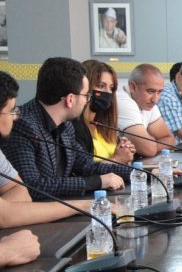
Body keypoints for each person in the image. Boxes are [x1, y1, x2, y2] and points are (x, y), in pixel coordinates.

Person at [1, 58, 129, 200]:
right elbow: (33, 186)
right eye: (86, 96)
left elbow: (86, 165)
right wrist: (97, 182)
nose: (87, 101)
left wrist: (136, 173)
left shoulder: (66, 126)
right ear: (70, 99)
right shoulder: (22, 125)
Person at [0, 70, 93, 227]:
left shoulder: (66, 128)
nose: (15, 117)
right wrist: (81, 206)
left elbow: (22, 193)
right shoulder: (26, 126)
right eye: (11, 111)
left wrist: (8, 210)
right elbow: (6, 214)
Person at [72, 60, 135, 164]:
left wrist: (124, 151)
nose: (108, 92)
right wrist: (117, 159)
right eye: (101, 86)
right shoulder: (74, 127)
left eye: (111, 88)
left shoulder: (103, 125)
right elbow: (83, 168)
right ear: (85, 87)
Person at [116, 64, 177, 157]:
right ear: (133, 87)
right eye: (150, 91)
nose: (155, 100)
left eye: (159, 92)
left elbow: (170, 139)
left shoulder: (147, 103)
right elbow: (148, 149)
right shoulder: (123, 101)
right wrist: (150, 142)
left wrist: (151, 143)